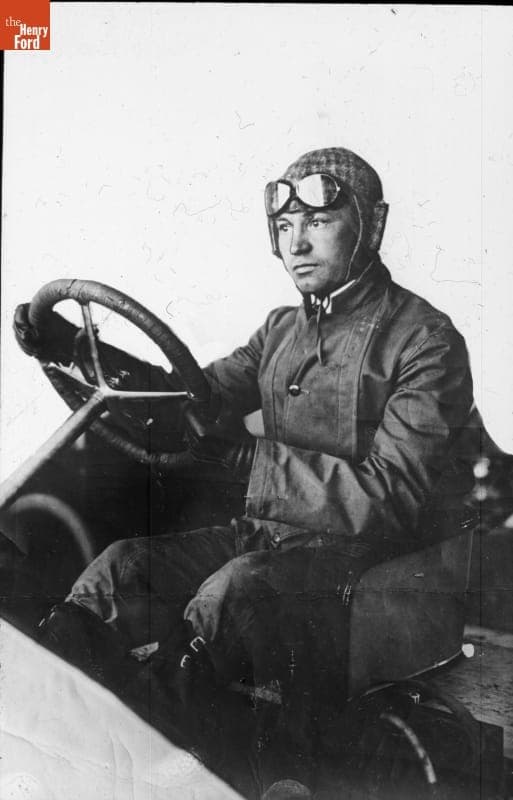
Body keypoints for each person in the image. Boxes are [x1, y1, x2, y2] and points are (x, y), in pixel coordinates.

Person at [13, 147, 477, 799]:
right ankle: (60, 733)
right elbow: (184, 401)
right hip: (265, 537)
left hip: (364, 564)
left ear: (371, 226)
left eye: (318, 222)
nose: (297, 243)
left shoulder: (424, 340)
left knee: (230, 594)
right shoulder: (279, 331)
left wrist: (249, 462)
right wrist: (73, 348)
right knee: (121, 569)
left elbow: (391, 496)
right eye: (285, 227)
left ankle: (152, 759)